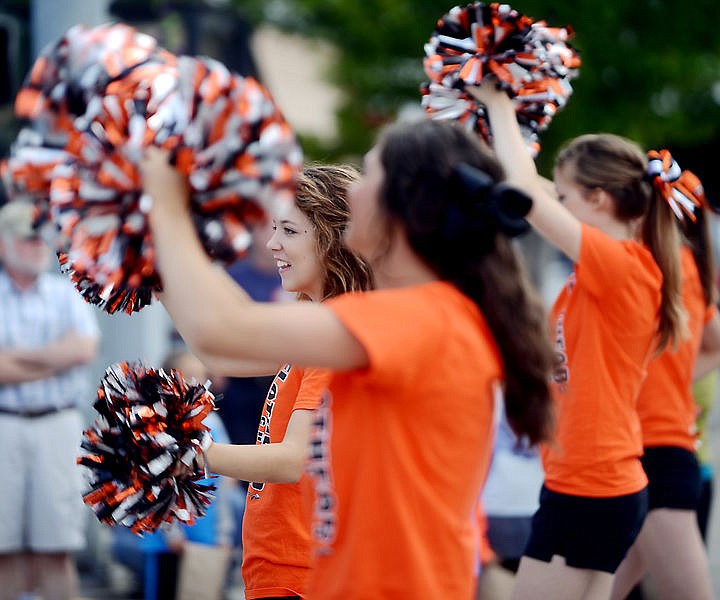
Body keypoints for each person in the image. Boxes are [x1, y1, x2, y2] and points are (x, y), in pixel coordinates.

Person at [140, 118, 556, 599]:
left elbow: (224, 333)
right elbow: (220, 345)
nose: (355, 190)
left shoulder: (417, 317)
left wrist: (161, 207)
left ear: (405, 208)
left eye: (370, 175)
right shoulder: (412, 312)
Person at [469, 83, 687, 599]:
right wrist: (489, 137)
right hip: (594, 481)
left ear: (598, 199)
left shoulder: (622, 266)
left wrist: (499, 101)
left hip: (590, 485)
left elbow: (524, 193)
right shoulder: (610, 266)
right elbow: (533, 187)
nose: (557, 204)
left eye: (567, 197)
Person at [609, 161, 720, 600]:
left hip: (655, 448)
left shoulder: (653, 265)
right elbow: (713, 344)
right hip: (644, 446)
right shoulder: (677, 264)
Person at [0, 200, 100, 600]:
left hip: (58, 424)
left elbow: (83, 350)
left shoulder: (67, 292)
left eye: (41, 237)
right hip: (5, 424)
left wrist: (16, 360)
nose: (38, 245)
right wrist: (52, 359)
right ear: (4, 244)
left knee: (57, 548)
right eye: (27, 238)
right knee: (3, 550)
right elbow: (68, 353)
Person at [110, 346, 235, 600]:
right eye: (185, 376)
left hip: (206, 537)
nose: (194, 384)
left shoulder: (214, 423)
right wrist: (171, 531)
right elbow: (154, 482)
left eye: (200, 376)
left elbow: (224, 484)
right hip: (168, 542)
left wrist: (224, 532)